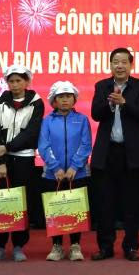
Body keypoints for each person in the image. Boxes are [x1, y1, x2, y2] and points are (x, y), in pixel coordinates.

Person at [90, 47, 139, 261]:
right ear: (110, 64)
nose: (120, 66)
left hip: (130, 153)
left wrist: (124, 103)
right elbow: (96, 115)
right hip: (107, 153)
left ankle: (131, 246)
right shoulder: (102, 86)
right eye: (116, 62)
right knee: (105, 203)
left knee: (131, 203)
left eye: (124, 62)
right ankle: (105, 247)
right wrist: (109, 103)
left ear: (131, 65)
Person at [0, 64, 43, 262]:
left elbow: (31, 132)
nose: (15, 84)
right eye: (11, 81)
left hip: (24, 158)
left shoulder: (37, 103)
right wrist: (1, 159)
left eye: (19, 80)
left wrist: (8, 146)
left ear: (27, 82)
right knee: (1, 202)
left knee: (21, 201)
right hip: (1, 159)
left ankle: (19, 245)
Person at [39, 81, 92, 262]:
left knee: (76, 208)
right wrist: (56, 167)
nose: (64, 100)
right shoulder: (47, 121)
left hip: (77, 173)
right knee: (56, 210)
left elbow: (86, 145)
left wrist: (74, 167)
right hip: (53, 174)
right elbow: (44, 146)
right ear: (54, 100)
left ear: (74, 99)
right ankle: (57, 246)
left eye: (68, 96)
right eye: (60, 97)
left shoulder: (82, 119)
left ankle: (75, 245)